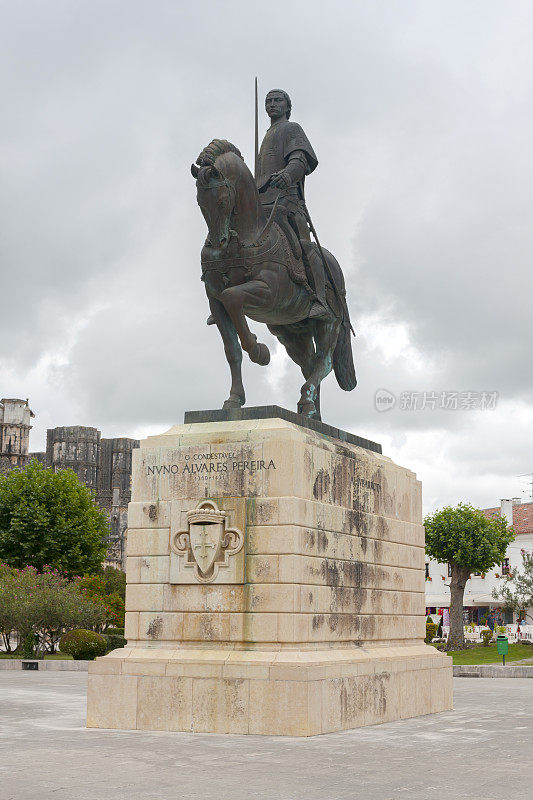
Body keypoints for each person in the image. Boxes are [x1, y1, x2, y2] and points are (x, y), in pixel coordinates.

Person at [255, 89, 332, 320]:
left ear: (288, 107)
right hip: (261, 203)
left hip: (287, 202)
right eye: (268, 101)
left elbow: (299, 159)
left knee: (304, 247)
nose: (271, 104)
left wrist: (288, 175)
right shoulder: (267, 135)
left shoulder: (291, 129)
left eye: (277, 100)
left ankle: (321, 301)